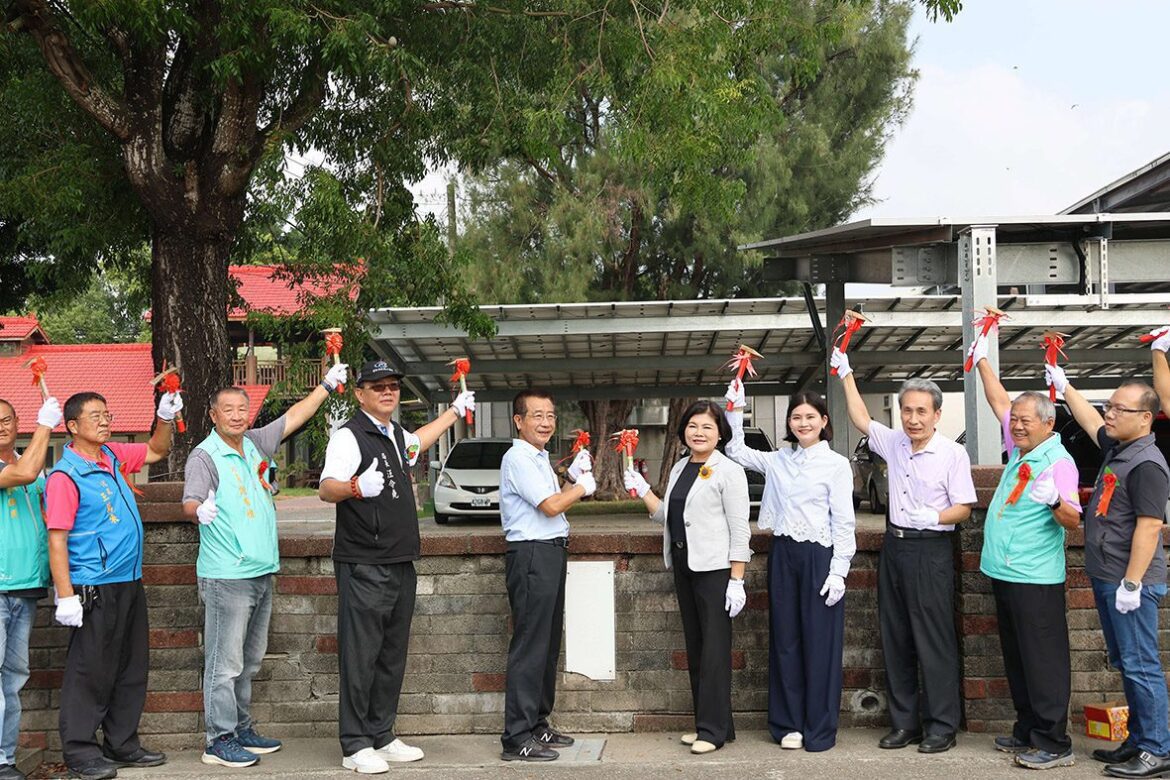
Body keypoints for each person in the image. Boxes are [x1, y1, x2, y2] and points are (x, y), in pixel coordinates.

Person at [182, 361, 348, 768]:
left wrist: (327, 384)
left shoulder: (255, 443)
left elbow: (296, 415)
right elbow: (190, 500)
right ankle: (218, 740)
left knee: (249, 660)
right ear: (214, 414)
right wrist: (198, 510)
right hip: (226, 574)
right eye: (229, 409)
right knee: (225, 664)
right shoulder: (205, 456)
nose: (237, 415)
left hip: (260, 571)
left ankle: (240, 729)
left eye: (242, 408)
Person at [318, 360, 474, 775]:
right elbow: (325, 487)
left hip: (400, 559)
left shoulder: (391, 434)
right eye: (378, 386)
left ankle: (381, 735)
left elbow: (418, 443)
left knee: (391, 655)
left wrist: (453, 412)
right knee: (361, 655)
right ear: (360, 393)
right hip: (364, 562)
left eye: (392, 386)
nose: (388, 392)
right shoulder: (350, 436)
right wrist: (354, 487)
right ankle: (354, 744)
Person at [831, 349, 975, 753]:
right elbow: (861, 417)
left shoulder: (952, 453)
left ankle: (941, 725)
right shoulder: (894, 442)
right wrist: (846, 374)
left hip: (931, 549)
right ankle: (904, 723)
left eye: (921, 412)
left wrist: (934, 516)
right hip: (895, 548)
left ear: (936, 414)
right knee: (895, 637)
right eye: (906, 410)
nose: (912, 418)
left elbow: (964, 506)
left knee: (934, 639)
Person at [46, 389, 181, 780]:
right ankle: (80, 751)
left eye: (107, 414)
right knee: (91, 671)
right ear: (72, 426)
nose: (105, 421)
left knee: (130, 666)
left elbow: (155, 450)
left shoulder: (112, 456)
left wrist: (165, 417)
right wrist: (66, 595)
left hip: (128, 580)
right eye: (96, 416)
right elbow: (57, 538)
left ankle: (122, 742)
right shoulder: (65, 475)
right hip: (93, 585)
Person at [1048, 348, 1170, 779]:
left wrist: (1132, 584)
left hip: (1129, 583)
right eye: (1110, 406)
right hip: (1109, 578)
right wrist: (1064, 386)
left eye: (1121, 408)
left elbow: (1150, 527)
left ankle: (1157, 748)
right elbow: (1089, 421)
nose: (1110, 414)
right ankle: (1138, 740)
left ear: (1146, 418)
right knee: (1126, 662)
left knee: (1141, 664)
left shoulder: (1148, 465)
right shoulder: (1120, 449)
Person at [723, 382, 855, 752]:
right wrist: (735, 405)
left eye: (810, 416)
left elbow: (844, 521)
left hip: (819, 557)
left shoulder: (836, 465)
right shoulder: (778, 459)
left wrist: (839, 569)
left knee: (820, 643)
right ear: (789, 422)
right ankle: (787, 725)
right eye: (796, 417)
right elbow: (734, 449)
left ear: (824, 420)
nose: (802, 422)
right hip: (783, 554)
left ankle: (820, 727)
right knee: (785, 640)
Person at [968, 337, 1080, 770]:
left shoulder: (1059, 462)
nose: (1015, 425)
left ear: (1048, 425)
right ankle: (1027, 729)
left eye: (1025, 421)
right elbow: (999, 400)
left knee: (1043, 661)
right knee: (1017, 657)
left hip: (1035, 577)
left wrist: (1055, 501)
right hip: (1006, 572)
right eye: (1014, 420)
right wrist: (980, 362)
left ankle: (1054, 742)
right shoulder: (1021, 450)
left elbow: (1073, 520)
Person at [624, 400, 751, 755]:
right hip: (684, 564)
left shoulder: (728, 471)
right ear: (683, 431)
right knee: (697, 649)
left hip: (715, 571)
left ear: (720, 433)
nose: (699, 433)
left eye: (708, 427)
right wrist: (643, 490)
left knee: (714, 651)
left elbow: (740, 530)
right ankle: (711, 725)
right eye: (693, 426)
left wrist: (736, 579)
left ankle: (712, 731)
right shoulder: (681, 467)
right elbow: (668, 515)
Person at [497, 389, 595, 762]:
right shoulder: (518, 457)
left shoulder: (539, 457)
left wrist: (577, 479)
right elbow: (551, 506)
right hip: (532, 554)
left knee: (548, 644)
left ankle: (537, 723)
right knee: (530, 646)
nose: (546, 423)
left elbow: (559, 498)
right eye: (537, 415)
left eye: (551, 416)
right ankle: (516, 736)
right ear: (519, 421)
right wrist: (582, 488)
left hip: (550, 551)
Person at [0, 396, 62, 780]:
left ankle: (4, 756)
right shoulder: (27, 466)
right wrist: (46, 425)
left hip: (26, 588)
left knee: (14, 677)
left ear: (17, 421)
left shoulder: (32, 461)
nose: (0, 425)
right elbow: (21, 474)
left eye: (6, 419)